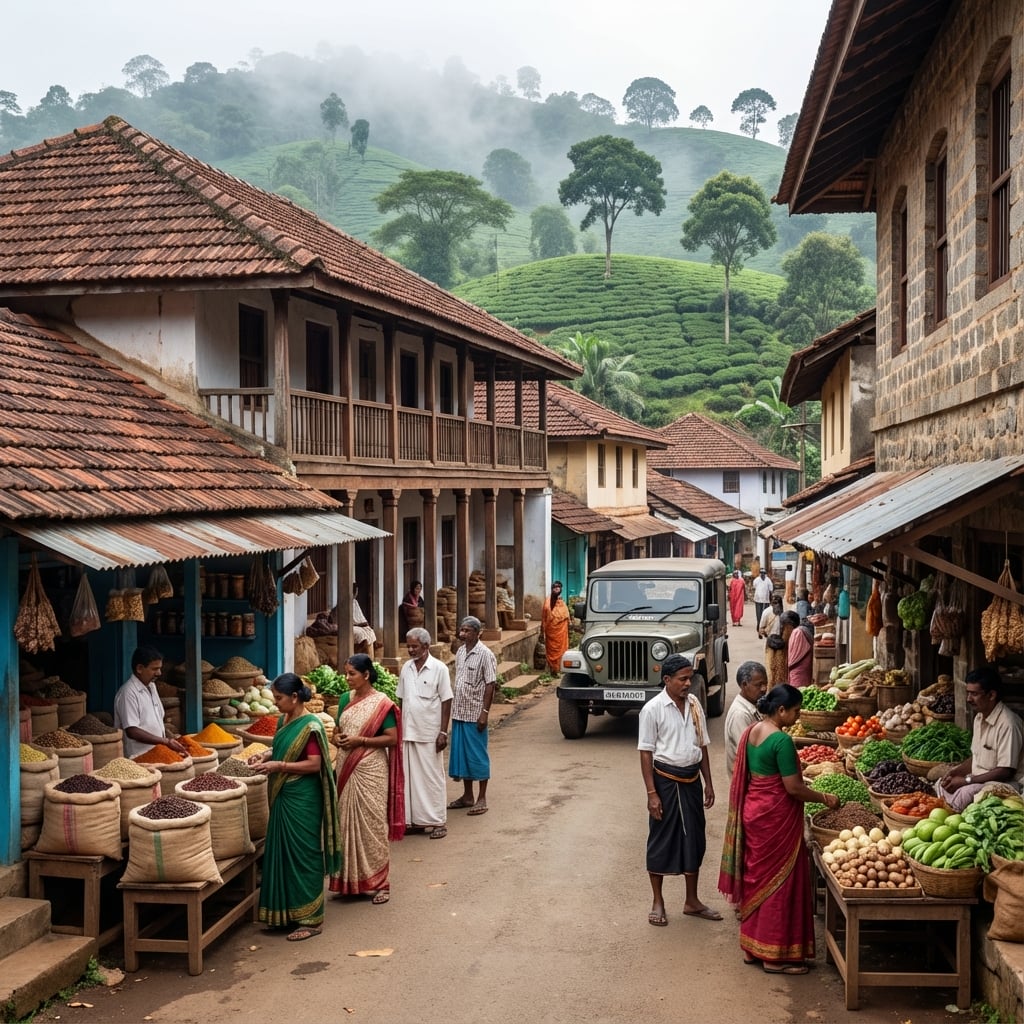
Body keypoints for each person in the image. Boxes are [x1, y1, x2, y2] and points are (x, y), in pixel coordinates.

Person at [719, 684, 841, 974]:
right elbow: (794, 788)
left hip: (755, 812)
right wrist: (825, 797)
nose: (798, 715)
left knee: (757, 880)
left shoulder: (752, 731)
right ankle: (775, 956)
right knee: (781, 884)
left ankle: (752, 949)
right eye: (796, 711)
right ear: (782, 710)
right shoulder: (782, 741)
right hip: (776, 818)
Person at [253, 673, 341, 941]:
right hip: (283, 794)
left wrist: (278, 766)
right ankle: (285, 914)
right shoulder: (285, 719)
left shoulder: (311, 726)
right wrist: (266, 754)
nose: (276, 703)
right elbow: (282, 748)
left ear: (294, 697)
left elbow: (314, 764)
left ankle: (311, 919)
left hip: (303, 798)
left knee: (304, 853)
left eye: (279, 698)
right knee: (281, 851)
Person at [638, 653, 721, 927]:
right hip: (665, 782)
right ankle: (657, 901)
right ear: (667, 680)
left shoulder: (695, 703)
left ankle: (692, 901)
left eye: (690, 678)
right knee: (662, 839)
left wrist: (708, 782)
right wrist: (652, 793)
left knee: (695, 839)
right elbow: (646, 753)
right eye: (682, 679)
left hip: (692, 781)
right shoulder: (652, 709)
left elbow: (702, 745)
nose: (688, 684)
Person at [328, 654, 404, 904]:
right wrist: (336, 739)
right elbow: (339, 730)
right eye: (346, 673)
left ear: (366, 675)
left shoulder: (382, 704)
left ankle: (381, 883)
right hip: (346, 767)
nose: (347, 678)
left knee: (371, 824)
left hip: (370, 768)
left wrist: (361, 741)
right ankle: (351, 882)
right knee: (346, 823)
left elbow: (391, 738)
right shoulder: (343, 700)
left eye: (352, 673)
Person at [935, 666, 1024, 811]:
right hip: (978, 778)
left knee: (965, 794)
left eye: (974, 694)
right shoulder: (979, 717)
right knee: (941, 783)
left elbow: (1005, 771)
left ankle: (953, 813)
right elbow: (976, 756)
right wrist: (956, 772)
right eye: (968, 693)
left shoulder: (1009, 724)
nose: (969, 699)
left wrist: (966, 781)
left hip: (1005, 783)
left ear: (991, 695)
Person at [397, 627, 452, 839]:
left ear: (426, 647)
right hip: (408, 732)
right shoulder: (406, 668)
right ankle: (416, 821)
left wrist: (443, 733)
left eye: (414, 646)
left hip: (430, 732)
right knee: (410, 779)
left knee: (432, 778)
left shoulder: (439, 669)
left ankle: (438, 821)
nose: (410, 650)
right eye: (408, 646)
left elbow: (446, 700)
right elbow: (401, 699)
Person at [448, 616, 497, 816]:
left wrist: (484, 713)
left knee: (477, 756)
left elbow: (490, 684)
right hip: (459, 711)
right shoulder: (460, 652)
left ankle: (481, 798)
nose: (463, 634)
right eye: (462, 630)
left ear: (478, 633)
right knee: (462, 757)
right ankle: (467, 796)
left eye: (467, 631)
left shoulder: (486, 654)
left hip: (475, 713)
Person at [113, 646, 187, 759]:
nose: (159, 673)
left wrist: (169, 737)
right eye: (154, 669)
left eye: (160, 668)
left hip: (157, 754)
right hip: (138, 757)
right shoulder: (128, 693)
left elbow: (155, 721)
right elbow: (132, 731)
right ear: (139, 668)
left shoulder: (151, 687)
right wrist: (166, 742)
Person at [724, 661, 767, 776]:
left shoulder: (753, 704)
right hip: (745, 778)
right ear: (744, 685)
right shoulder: (740, 714)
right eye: (759, 685)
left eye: (765, 684)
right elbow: (747, 753)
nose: (764, 689)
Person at [541, 580, 571, 673]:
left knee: (561, 648)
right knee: (552, 649)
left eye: (558, 587)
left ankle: (560, 667)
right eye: (554, 587)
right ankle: (553, 668)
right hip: (551, 630)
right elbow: (546, 614)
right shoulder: (548, 601)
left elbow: (565, 614)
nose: (556, 589)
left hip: (561, 631)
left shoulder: (561, 601)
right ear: (552, 589)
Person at [765, 603, 795, 686]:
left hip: (773, 646)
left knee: (772, 676)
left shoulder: (768, 612)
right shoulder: (789, 631)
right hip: (777, 648)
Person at [784, 611, 814, 688]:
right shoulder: (800, 630)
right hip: (803, 669)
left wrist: (787, 667)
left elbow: (794, 658)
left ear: (789, 624)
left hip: (799, 670)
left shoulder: (797, 632)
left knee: (798, 692)